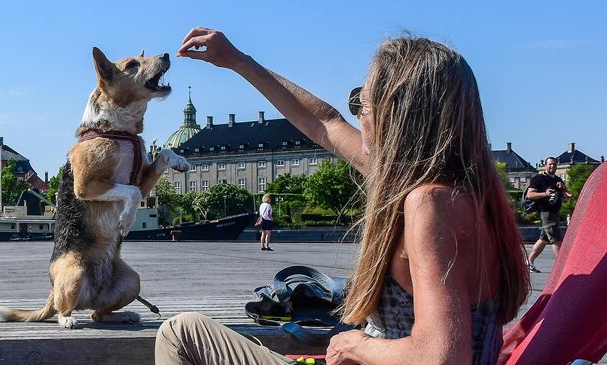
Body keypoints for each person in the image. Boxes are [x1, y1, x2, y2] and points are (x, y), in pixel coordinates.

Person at [155, 27, 530, 365]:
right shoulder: (470, 193)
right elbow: (322, 122)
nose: (356, 116)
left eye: (361, 104)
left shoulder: (429, 204)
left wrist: (355, 345)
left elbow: (443, 357)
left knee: (181, 333)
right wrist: (238, 60)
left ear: (393, 115)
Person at [525, 157, 571, 273]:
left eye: (555, 164)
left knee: (544, 239)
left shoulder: (558, 180)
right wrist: (545, 193)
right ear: (545, 165)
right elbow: (530, 195)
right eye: (550, 164)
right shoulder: (539, 178)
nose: (552, 166)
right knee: (556, 239)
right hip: (546, 213)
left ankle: (528, 262)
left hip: (555, 212)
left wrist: (563, 188)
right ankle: (563, 267)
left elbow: (566, 198)